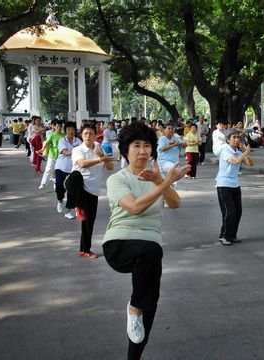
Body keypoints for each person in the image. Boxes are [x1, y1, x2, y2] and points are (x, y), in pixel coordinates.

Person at [103, 122, 186, 360]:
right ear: (126, 150)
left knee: (151, 301)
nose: (142, 151)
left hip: (149, 247)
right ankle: (133, 308)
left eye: (147, 145)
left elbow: (175, 203)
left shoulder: (154, 178)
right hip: (120, 244)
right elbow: (135, 207)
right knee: (151, 253)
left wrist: (160, 180)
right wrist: (166, 182)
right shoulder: (117, 179)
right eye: (136, 145)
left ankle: (134, 353)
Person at [71, 123, 113, 258]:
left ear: (95, 135)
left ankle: (84, 249)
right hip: (81, 188)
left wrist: (103, 157)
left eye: (91, 133)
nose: (88, 136)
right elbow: (82, 163)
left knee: (90, 220)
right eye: (85, 133)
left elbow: (110, 167)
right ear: (81, 136)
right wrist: (100, 159)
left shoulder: (99, 148)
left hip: (93, 190)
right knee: (87, 221)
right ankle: (85, 250)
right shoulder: (78, 150)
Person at [216, 129, 254, 246]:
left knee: (238, 212)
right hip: (223, 185)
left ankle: (232, 235)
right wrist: (245, 153)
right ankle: (224, 236)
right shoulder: (225, 150)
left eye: (238, 137)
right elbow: (235, 161)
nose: (237, 139)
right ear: (228, 139)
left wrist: (244, 152)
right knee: (229, 212)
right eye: (234, 137)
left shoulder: (238, 152)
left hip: (235, 185)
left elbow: (250, 164)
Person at [55, 122, 82, 219]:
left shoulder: (78, 141)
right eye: (68, 129)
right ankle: (60, 200)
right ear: (65, 131)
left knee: (72, 190)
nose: (71, 131)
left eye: (72, 129)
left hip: (73, 169)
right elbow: (65, 152)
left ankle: (68, 211)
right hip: (61, 167)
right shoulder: (62, 140)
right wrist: (76, 151)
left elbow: (83, 151)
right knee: (59, 186)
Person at [39, 120, 64, 190]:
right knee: (48, 169)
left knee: (57, 171)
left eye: (60, 126)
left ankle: (56, 184)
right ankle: (43, 183)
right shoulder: (52, 135)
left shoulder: (63, 136)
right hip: (52, 155)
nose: (59, 128)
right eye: (58, 126)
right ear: (55, 127)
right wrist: (42, 149)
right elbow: (46, 143)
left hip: (60, 156)